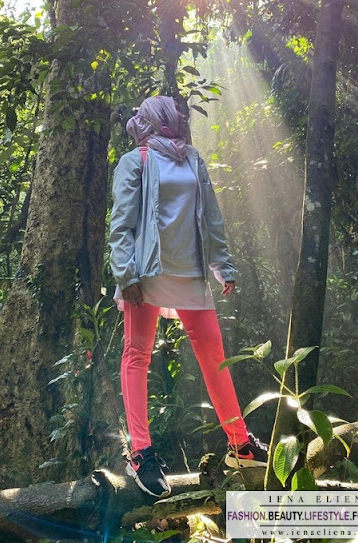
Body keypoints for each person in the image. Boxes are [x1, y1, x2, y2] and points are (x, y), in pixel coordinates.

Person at [109, 96, 267, 498]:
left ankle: (240, 444)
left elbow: (210, 214)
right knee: (137, 354)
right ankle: (141, 453)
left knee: (214, 354)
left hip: (192, 273)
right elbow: (121, 224)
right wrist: (125, 275)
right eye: (173, 115)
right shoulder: (136, 161)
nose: (180, 120)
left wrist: (223, 267)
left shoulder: (192, 158)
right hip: (146, 272)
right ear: (158, 119)